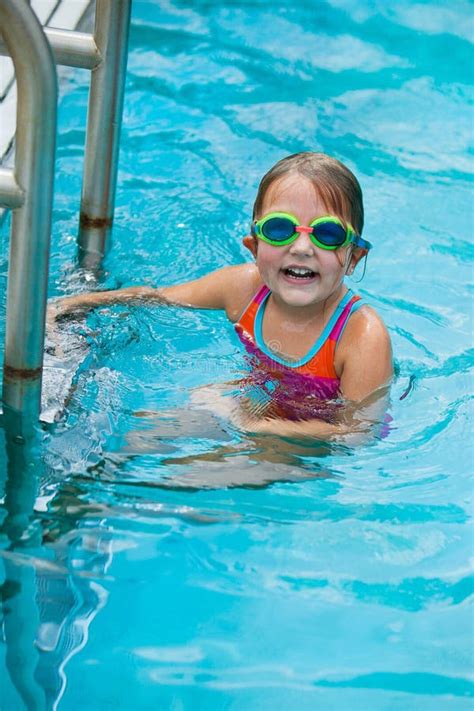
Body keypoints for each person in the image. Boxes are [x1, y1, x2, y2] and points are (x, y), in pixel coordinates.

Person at [48, 152, 393, 441]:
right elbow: (157, 298)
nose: (302, 248)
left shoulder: (361, 337)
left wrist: (255, 425)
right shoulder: (244, 289)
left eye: (328, 234)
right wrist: (66, 306)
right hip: (259, 403)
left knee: (199, 480)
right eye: (279, 229)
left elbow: (359, 432)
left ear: (354, 258)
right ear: (254, 248)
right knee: (139, 436)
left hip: (308, 447)